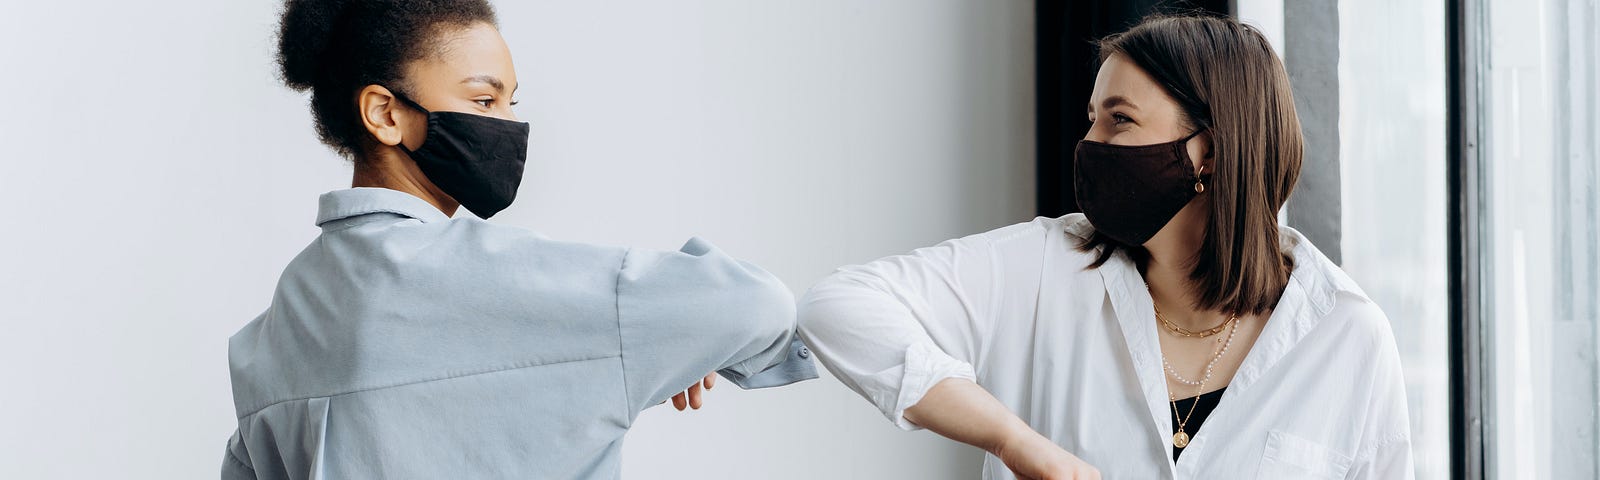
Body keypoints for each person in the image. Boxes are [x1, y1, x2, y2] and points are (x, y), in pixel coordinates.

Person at [798, 14, 1414, 480]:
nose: (1089, 143)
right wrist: (1015, 441)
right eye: (1093, 117)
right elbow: (839, 305)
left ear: (1214, 153)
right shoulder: (1045, 267)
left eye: (1119, 119)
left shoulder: (1347, 336)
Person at [222, 1, 815, 478]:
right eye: (483, 100)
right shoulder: (509, 280)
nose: (507, 127)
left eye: (511, 102)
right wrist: (669, 339)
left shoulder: (268, 341)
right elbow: (757, 305)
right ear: (384, 113)